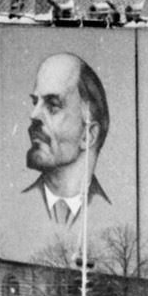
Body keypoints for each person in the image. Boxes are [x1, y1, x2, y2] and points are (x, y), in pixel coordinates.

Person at [21, 52, 111, 228]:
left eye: (52, 106)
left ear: (88, 135)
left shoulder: (114, 215)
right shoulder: (16, 205)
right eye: (35, 103)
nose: (34, 115)